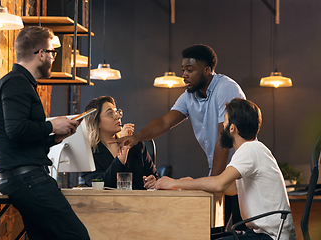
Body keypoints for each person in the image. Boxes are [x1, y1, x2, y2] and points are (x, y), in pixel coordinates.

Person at [0, 26, 90, 240]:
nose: (54, 57)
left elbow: (22, 138)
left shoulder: (20, 83)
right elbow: (16, 130)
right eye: (53, 52)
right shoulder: (16, 83)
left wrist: (55, 137)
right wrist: (53, 126)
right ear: (41, 53)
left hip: (24, 178)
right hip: (27, 179)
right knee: (77, 236)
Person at [155, 98, 296, 240]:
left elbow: (219, 183)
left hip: (271, 237)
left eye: (225, 121)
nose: (223, 125)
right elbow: (232, 188)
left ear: (232, 128)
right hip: (265, 234)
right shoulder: (255, 149)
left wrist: (174, 183)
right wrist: (190, 183)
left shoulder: (249, 149)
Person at [111, 44, 245, 176]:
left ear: (207, 70)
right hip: (222, 171)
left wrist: (216, 182)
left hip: (242, 170)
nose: (184, 75)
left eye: (190, 70)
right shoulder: (189, 96)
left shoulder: (226, 88)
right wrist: (135, 138)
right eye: (183, 70)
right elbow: (165, 122)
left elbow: (224, 137)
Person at [81, 96, 158, 189]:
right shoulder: (88, 153)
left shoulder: (137, 145)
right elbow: (102, 185)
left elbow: (155, 178)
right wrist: (124, 150)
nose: (118, 116)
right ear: (96, 122)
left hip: (139, 201)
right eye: (110, 113)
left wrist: (153, 181)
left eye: (117, 112)